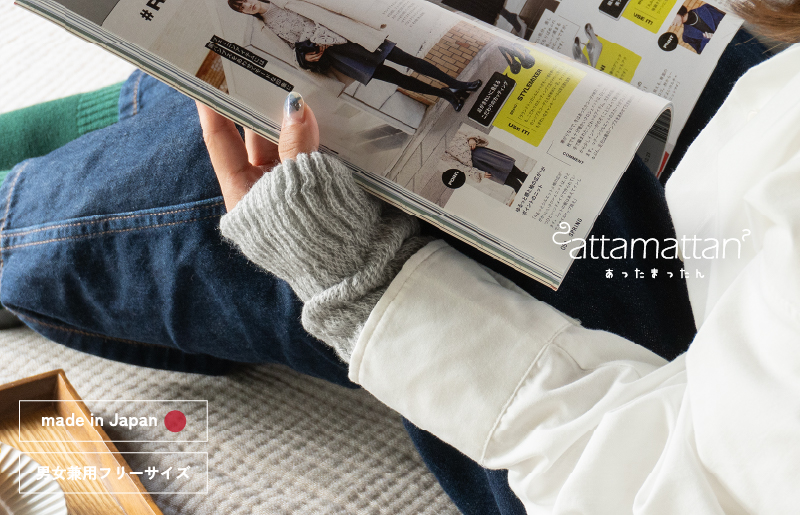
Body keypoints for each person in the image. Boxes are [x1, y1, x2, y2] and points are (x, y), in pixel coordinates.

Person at [0, 10, 781, 515]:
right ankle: (122, 114)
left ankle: (21, 221)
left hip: (641, 436)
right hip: (753, 203)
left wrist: (363, 282)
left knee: (312, 167)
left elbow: (652, 482)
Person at [227, 0, 482, 111]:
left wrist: (366, 21)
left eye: (245, 0)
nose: (247, 6)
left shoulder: (285, 0)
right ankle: (447, 95)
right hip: (340, 58)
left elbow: (329, 10)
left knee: (407, 60)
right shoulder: (265, 28)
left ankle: (458, 84)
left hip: (349, 37)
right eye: (241, 8)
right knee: (397, 79)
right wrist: (306, 59)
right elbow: (291, 52)